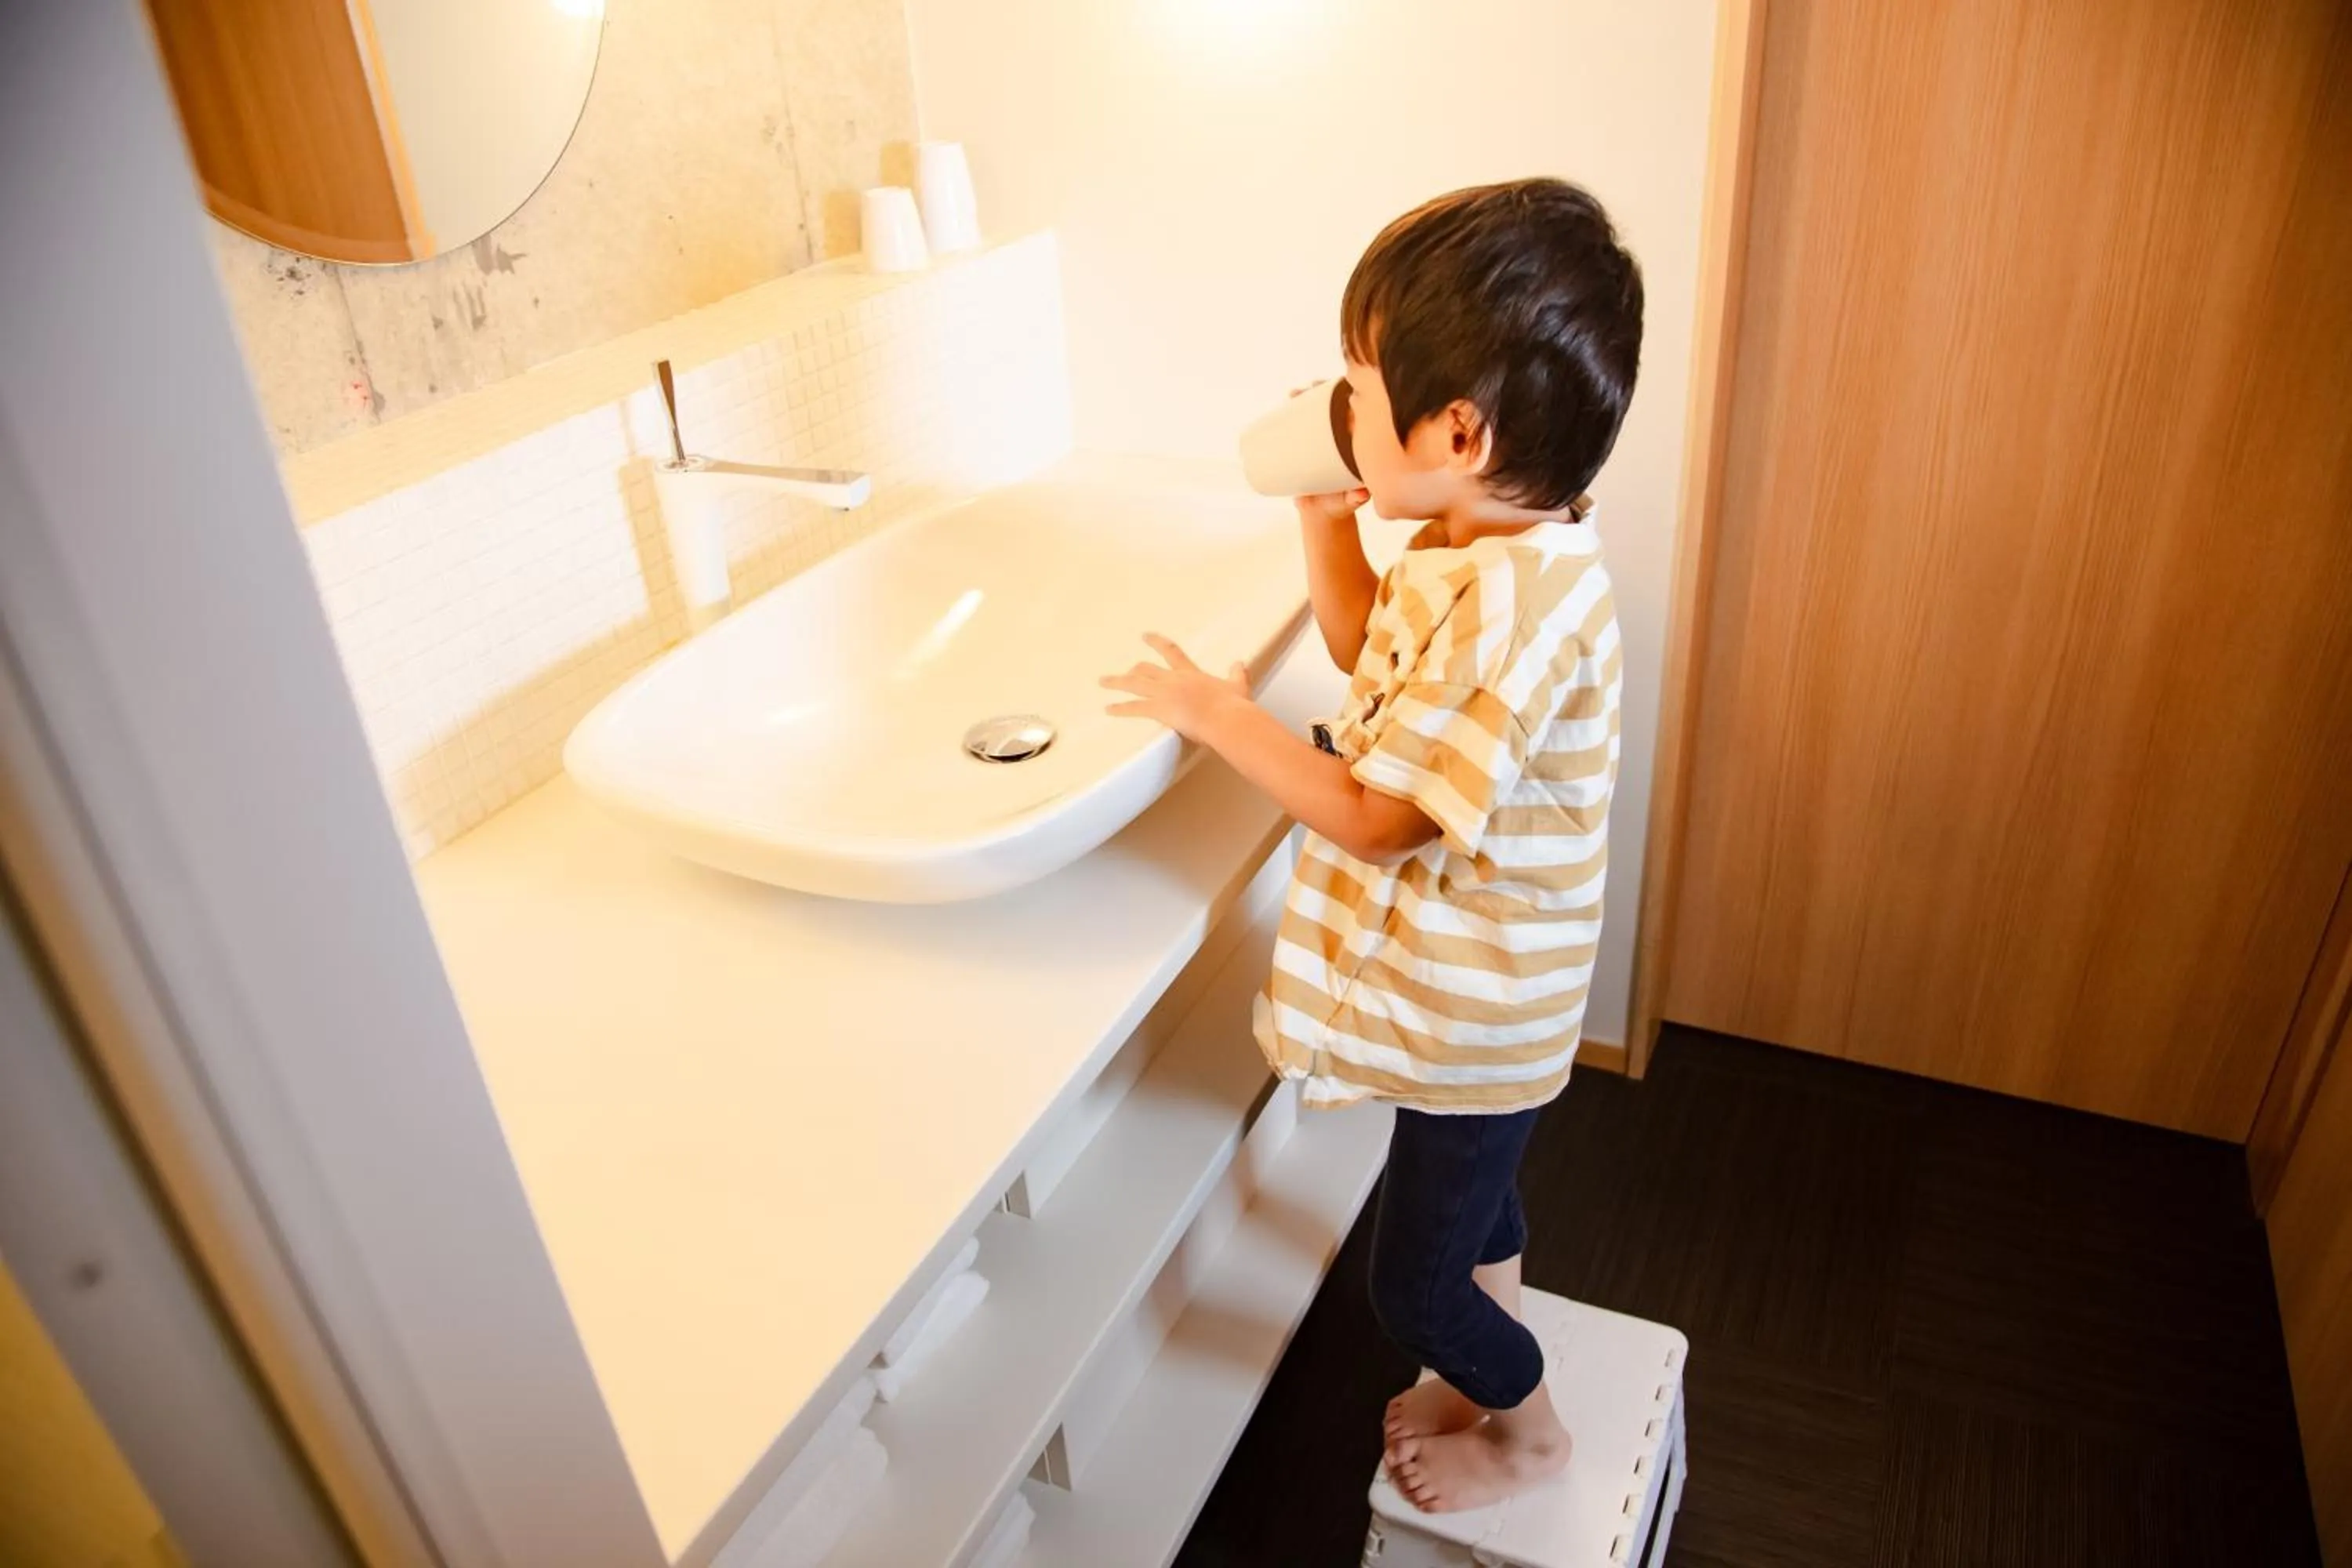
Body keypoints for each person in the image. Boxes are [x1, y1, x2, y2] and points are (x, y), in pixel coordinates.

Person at [1101, 178, 1642, 1513]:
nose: (1338, 407)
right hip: (1468, 1001)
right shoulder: (1479, 541)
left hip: (1483, 1006)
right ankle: (1481, 1348)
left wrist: (1222, 715)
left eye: (1357, 386)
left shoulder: (1512, 611)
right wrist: (1322, 516)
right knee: (1474, 1197)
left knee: (1412, 1282)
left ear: (1457, 429)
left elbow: (1380, 818)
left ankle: (1530, 1428)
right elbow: (1371, 659)